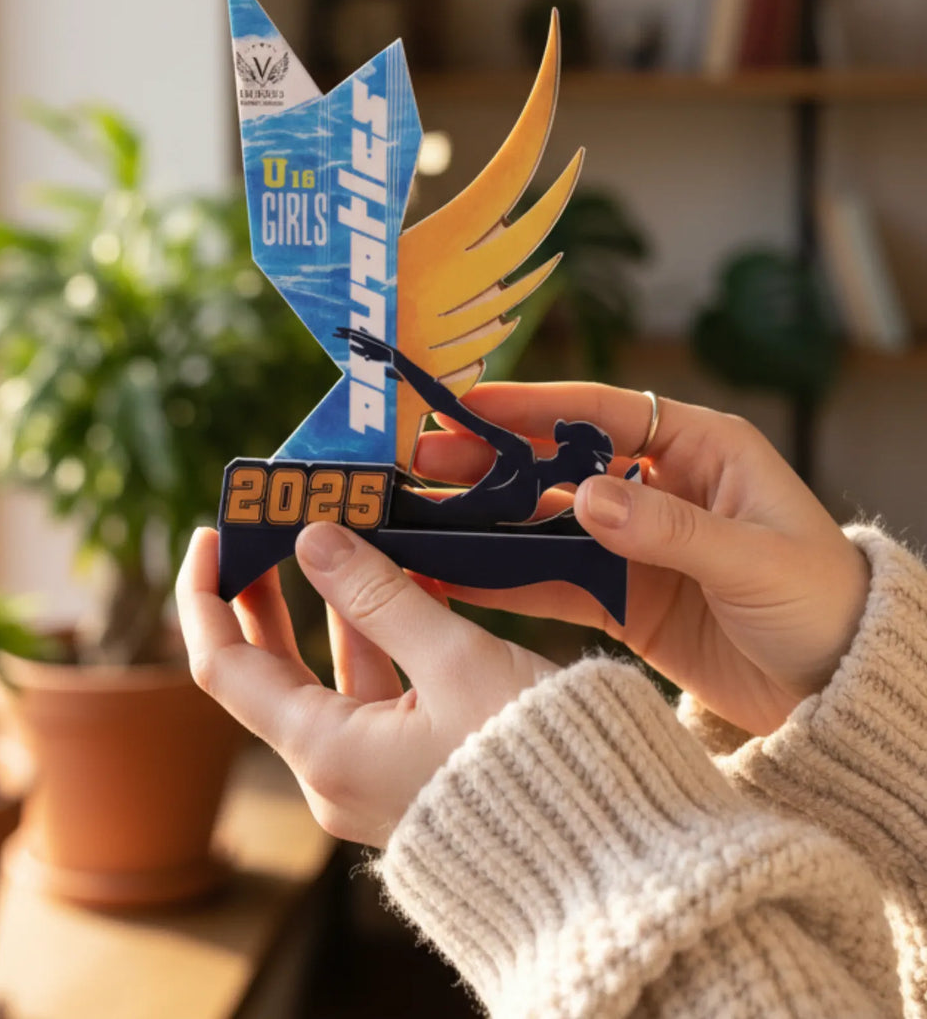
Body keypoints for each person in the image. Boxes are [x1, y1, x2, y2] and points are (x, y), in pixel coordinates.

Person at [177, 381, 927, 1017]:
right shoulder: (522, 465)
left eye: (580, 453)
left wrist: (547, 826)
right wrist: (870, 686)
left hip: (445, 536)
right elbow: (458, 413)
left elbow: (465, 420)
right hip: (436, 530)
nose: (581, 457)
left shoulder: (522, 467)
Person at [336, 327, 615, 526]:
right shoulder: (519, 454)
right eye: (593, 464)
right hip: (408, 514)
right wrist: (397, 361)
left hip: (422, 526)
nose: (594, 473)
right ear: (571, 453)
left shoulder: (540, 498)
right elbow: (450, 407)